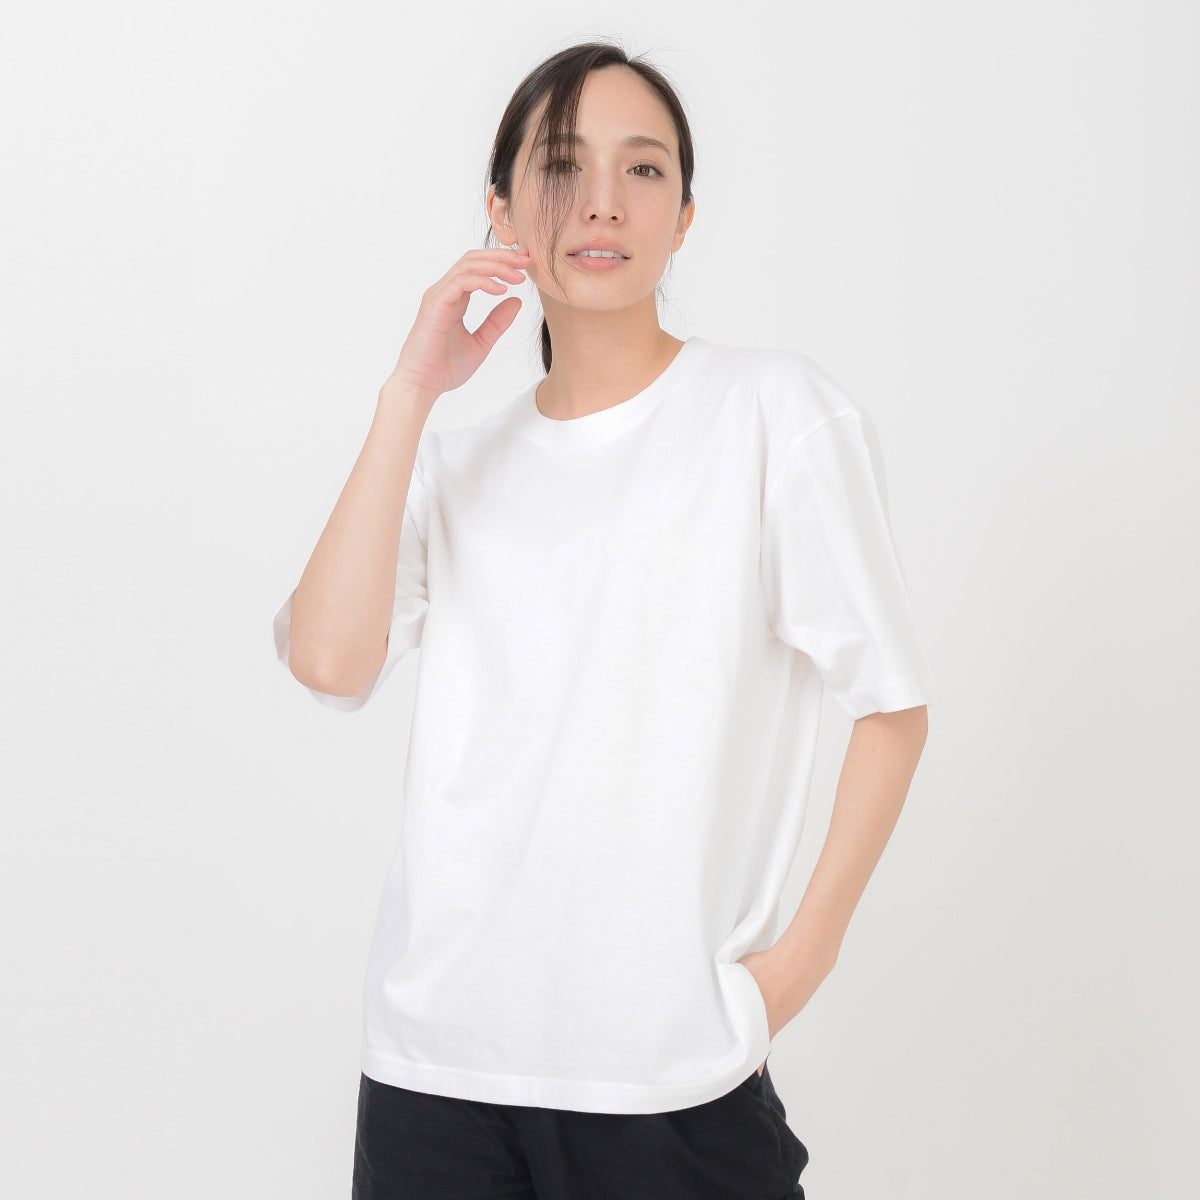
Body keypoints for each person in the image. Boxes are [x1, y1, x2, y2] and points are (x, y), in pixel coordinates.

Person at [273, 38, 936, 1200]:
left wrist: (792, 970)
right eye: (561, 165)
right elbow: (329, 663)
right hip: (435, 1071)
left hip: (669, 1081)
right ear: (499, 210)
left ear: (684, 215)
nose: (601, 202)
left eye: (643, 169)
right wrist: (409, 391)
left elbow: (890, 706)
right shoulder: (453, 465)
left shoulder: (772, 414)